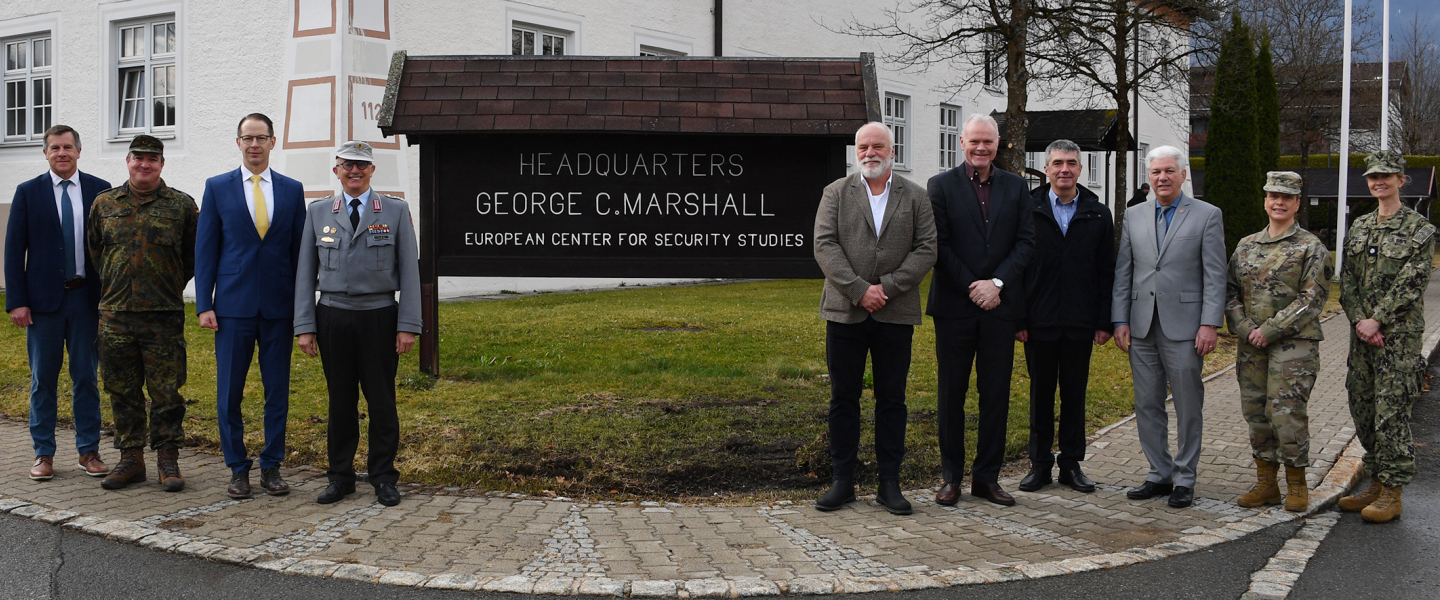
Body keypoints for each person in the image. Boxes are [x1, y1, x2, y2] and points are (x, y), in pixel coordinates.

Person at [812, 122, 937, 514]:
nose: (870, 152)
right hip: (845, 312)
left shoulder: (916, 196)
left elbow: (927, 248)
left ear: (893, 151)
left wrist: (887, 286)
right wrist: (858, 289)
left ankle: (889, 483)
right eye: (863, 146)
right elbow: (824, 245)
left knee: (892, 400)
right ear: (856, 151)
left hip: (895, 313)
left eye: (877, 146)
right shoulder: (835, 192)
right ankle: (842, 481)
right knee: (843, 398)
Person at [294, 141, 421, 507]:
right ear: (336, 170)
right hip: (333, 315)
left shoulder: (394, 211)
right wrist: (305, 325)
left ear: (372, 171)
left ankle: (383, 477)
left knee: (382, 400)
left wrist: (408, 324)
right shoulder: (318, 212)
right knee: (340, 401)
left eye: (361, 166)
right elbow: (305, 272)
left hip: (380, 316)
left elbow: (410, 273)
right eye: (347, 165)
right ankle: (340, 477)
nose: (354, 171)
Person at [195, 114, 307, 499]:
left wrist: (303, 306)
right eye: (248, 138)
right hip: (232, 307)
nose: (254, 144)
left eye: (261, 138)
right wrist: (203, 304)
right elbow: (206, 249)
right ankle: (237, 468)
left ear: (273, 142)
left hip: (279, 308)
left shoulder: (292, 190)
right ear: (238, 143)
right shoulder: (217, 188)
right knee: (229, 393)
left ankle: (272, 466)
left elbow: (300, 254)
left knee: (277, 391)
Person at [927, 114, 1035, 507]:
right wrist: (975, 286)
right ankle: (951, 478)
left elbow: (1026, 242)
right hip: (956, 307)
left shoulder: (1016, 187)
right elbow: (938, 246)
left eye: (988, 142)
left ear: (998, 144)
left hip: (1000, 308)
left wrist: (998, 284)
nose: (981, 148)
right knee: (951, 394)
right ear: (961, 142)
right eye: (974, 141)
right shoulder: (940, 186)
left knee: (996, 395)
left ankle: (986, 478)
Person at [1112, 145, 1225, 509]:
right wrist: (1120, 319)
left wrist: (1210, 322)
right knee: (1146, 403)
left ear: (1183, 175)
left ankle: (1185, 477)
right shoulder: (1134, 215)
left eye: (1169, 171)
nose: (1162, 178)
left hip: (1186, 328)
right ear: (1149, 177)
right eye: (1156, 172)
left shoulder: (1207, 215)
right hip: (1142, 325)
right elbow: (1124, 271)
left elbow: (1215, 273)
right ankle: (1158, 473)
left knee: (1188, 405)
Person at [87, 135, 199, 492]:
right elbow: (95, 253)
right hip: (116, 316)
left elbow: (191, 257)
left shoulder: (181, 205)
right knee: (122, 390)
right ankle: (131, 458)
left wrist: (165, 286)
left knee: (167, 392)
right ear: (128, 161)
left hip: (162, 317)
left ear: (162, 164)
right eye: (138, 158)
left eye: (152, 159)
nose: (145, 164)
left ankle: (168, 458)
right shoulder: (104, 204)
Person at [4, 125, 111, 481]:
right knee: (43, 381)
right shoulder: (28, 192)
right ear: (46, 153)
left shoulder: (100, 191)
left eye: (68, 147)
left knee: (86, 378)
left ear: (79, 151)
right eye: (55, 148)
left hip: (87, 301)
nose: (61, 153)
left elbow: (110, 250)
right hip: (43, 304)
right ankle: (43, 454)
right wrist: (17, 301)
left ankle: (88, 451)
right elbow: (13, 250)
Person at [1337, 150, 1435, 524]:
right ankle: (1376, 480)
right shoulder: (1360, 227)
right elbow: (1347, 282)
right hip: (1361, 337)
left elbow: (1413, 281)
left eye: (1386, 176)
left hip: (1398, 338)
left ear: (1400, 179)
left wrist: (1377, 320)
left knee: (1390, 412)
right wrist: (1361, 321)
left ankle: (1392, 491)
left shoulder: (1418, 229)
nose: (1379, 181)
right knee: (1362, 405)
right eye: (1373, 177)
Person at [1225, 171, 1329, 513]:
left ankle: (1296, 485)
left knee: (1286, 414)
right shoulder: (1246, 245)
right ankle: (1266, 484)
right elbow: (1230, 292)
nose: (1279, 202)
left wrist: (1268, 330)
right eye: (1273, 196)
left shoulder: (1310, 247)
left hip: (1293, 344)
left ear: (1297, 203)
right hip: (1251, 344)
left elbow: (1311, 299)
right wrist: (1243, 327)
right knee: (1256, 412)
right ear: (1265, 201)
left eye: (1287, 197)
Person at [1016, 140, 1114, 494]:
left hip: (1080, 320)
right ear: (1046, 168)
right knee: (1040, 393)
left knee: (1075, 394)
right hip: (1038, 321)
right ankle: (1040, 464)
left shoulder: (1098, 213)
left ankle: (1071, 464)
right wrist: (1019, 320)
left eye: (1071, 162)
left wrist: (1104, 321)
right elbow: (1019, 268)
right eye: (1057, 162)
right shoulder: (1028, 208)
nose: (1064, 169)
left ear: (1081, 169)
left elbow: (1107, 271)